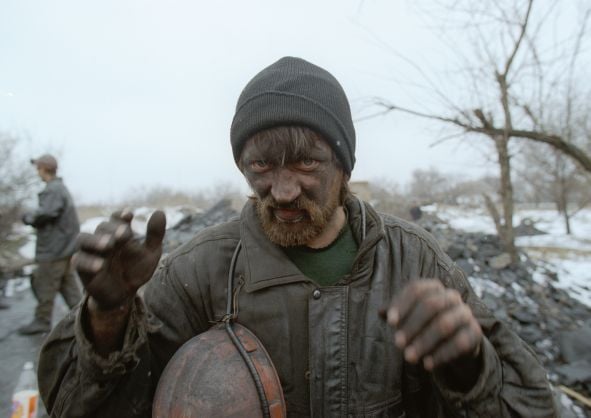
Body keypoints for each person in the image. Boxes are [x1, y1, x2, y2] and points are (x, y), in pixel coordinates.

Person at [38, 57, 556, 417]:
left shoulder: (414, 260)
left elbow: (532, 407)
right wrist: (108, 318)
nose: (281, 190)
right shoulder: (200, 271)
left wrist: (470, 371)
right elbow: (79, 407)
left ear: (345, 166)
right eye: (260, 165)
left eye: (308, 161)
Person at [19, 154, 82, 335]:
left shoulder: (53, 189)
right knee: (67, 285)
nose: (37, 172)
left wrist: (28, 217)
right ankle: (83, 317)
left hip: (54, 249)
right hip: (63, 248)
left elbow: (46, 213)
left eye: (38, 168)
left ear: (45, 169)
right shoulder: (59, 188)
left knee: (45, 283)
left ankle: (42, 320)